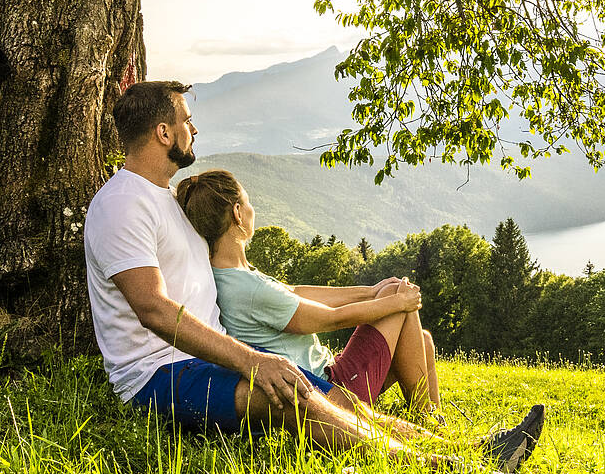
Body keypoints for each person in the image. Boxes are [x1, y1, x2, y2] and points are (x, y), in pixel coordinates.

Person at [81, 79, 543, 474]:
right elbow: (154, 310)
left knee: (340, 402)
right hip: (159, 375)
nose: (194, 128)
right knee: (298, 396)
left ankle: (475, 452)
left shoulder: (165, 200)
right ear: (163, 133)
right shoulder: (122, 203)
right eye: (185, 119)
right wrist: (252, 360)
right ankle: (454, 473)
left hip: (206, 360)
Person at [177, 169, 443, 411]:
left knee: (423, 341)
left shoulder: (232, 276)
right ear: (237, 213)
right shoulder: (247, 289)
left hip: (329, 372)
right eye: (249, 203)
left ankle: (433, 418)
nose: (251, 209)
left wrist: (371, 292)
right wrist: (398, 302)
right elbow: (331, 319)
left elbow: (295, 292)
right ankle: (429, 419)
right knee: (397, 294)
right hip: (333, 387)